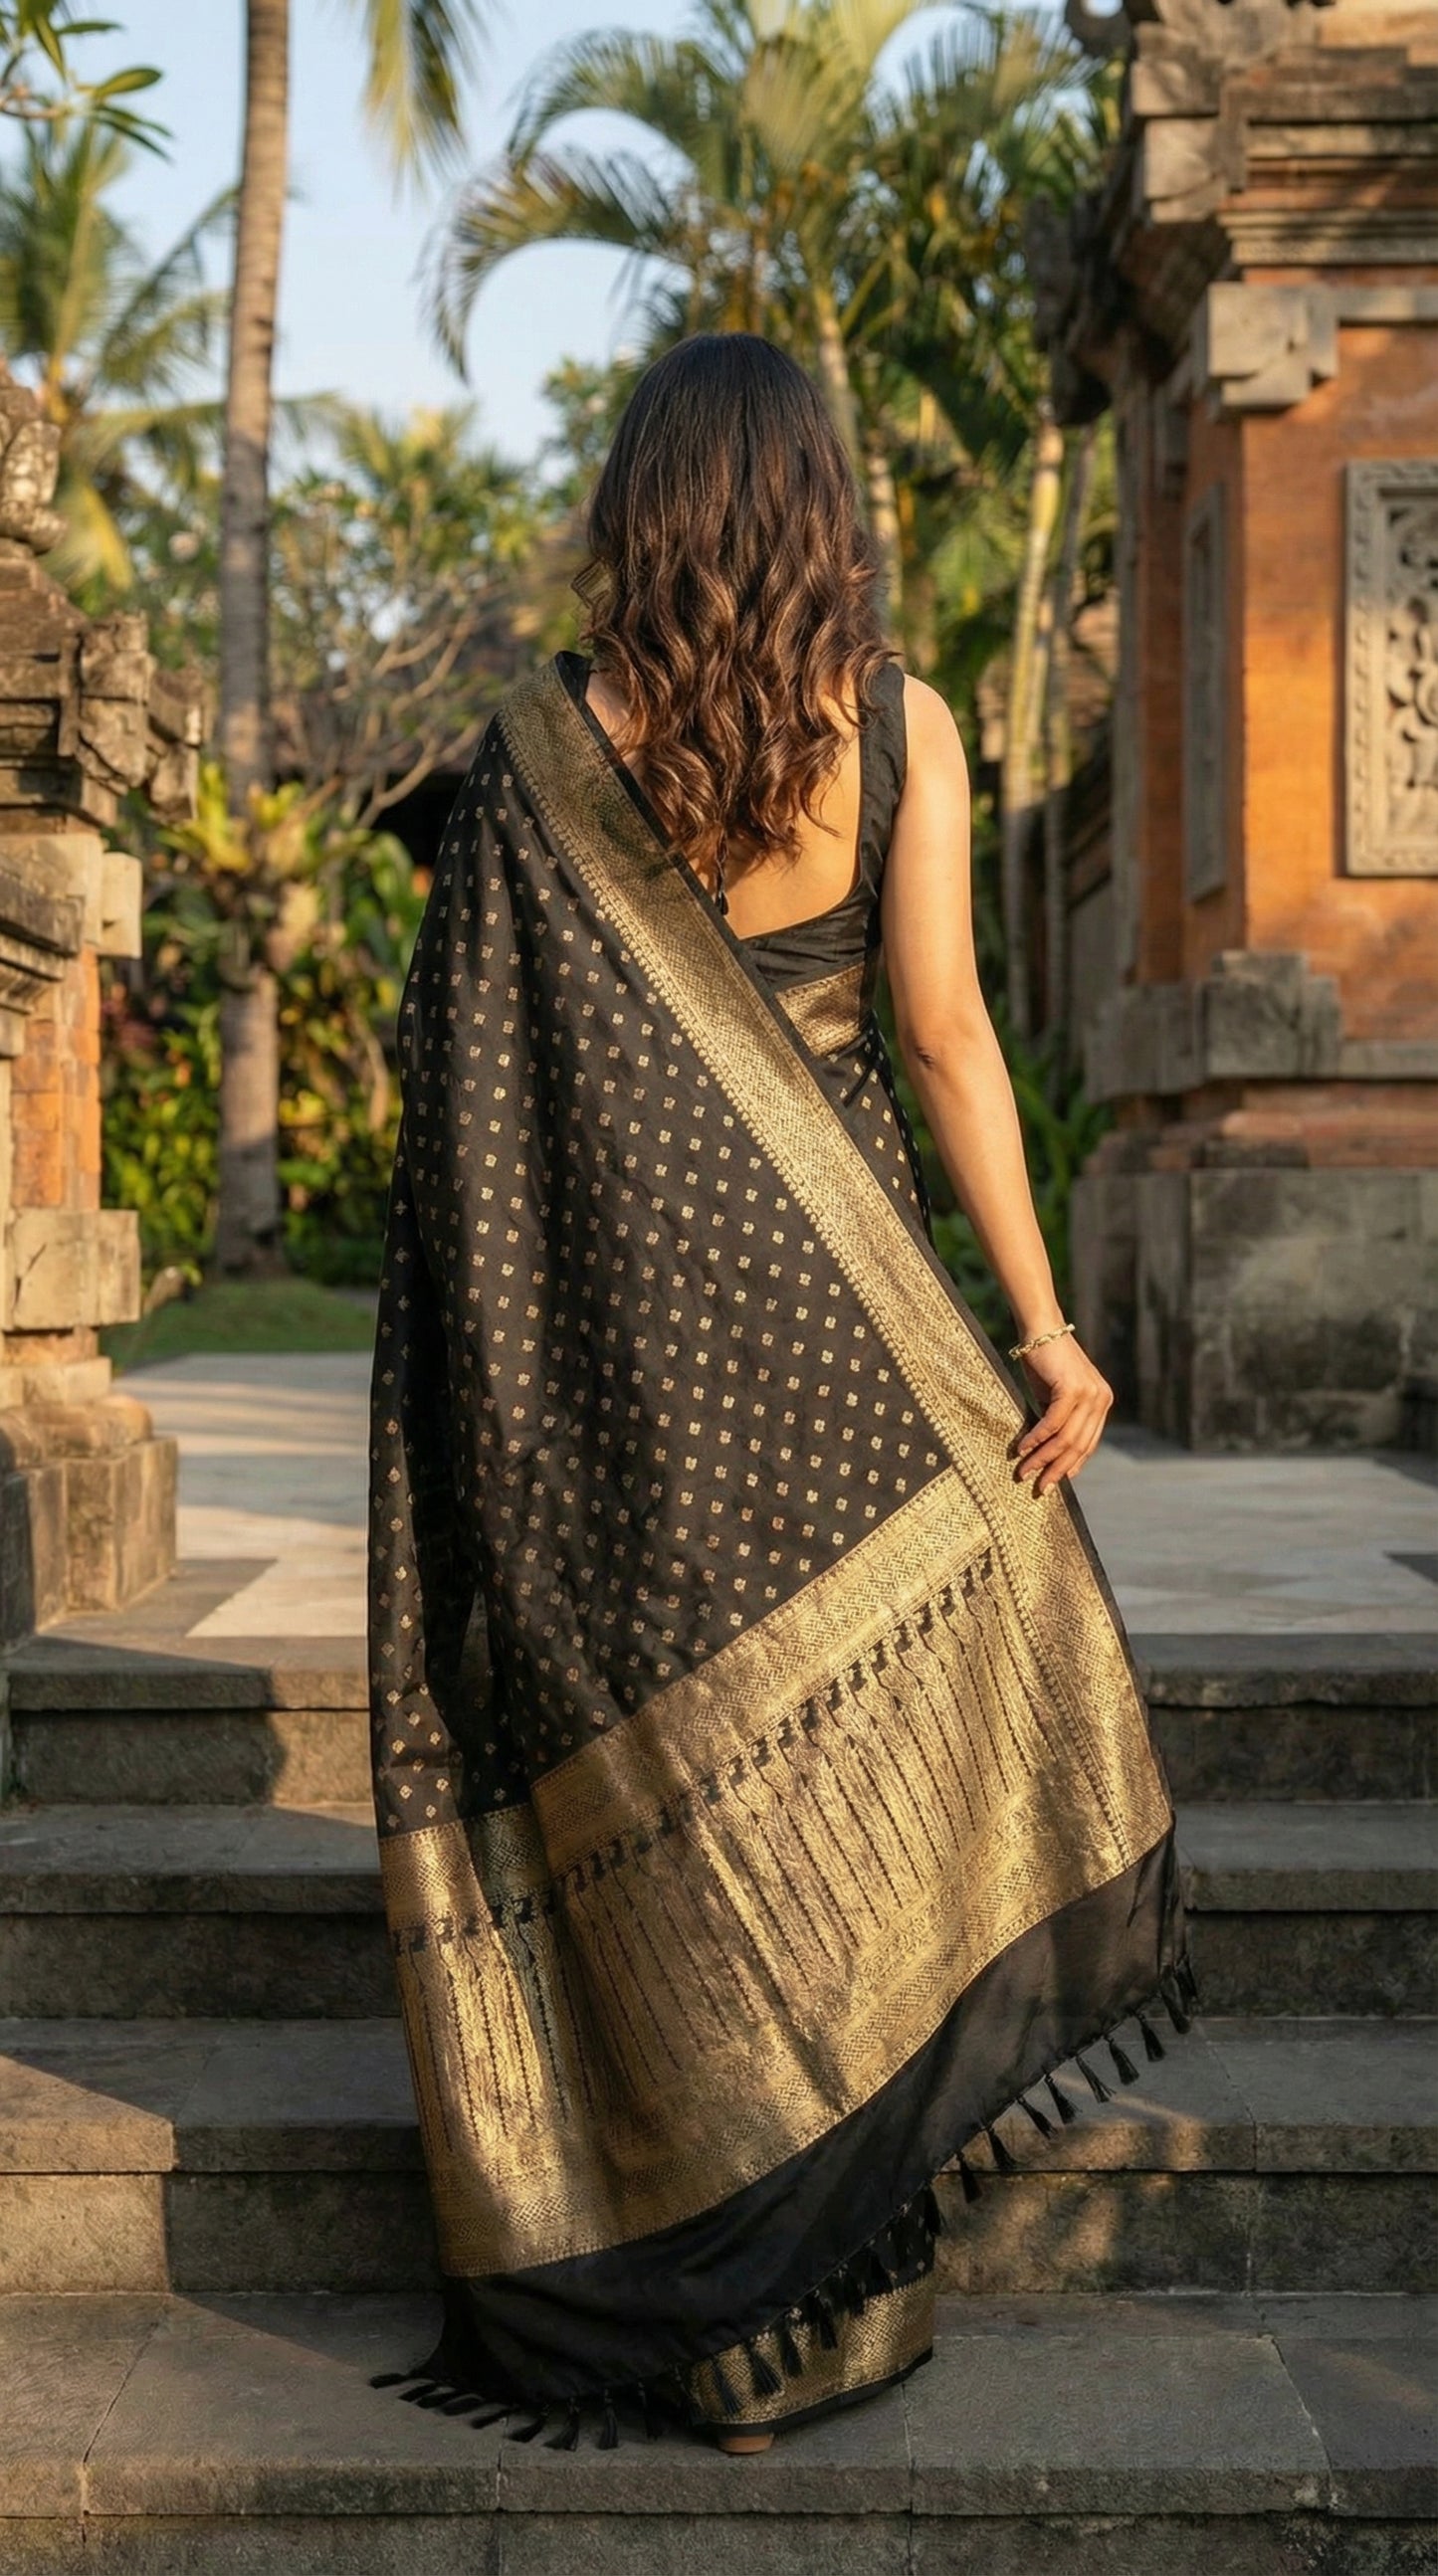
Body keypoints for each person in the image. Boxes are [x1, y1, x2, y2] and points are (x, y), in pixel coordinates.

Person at [366, 332, 1192, 2455]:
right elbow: (942, 1043)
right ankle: (830, 2284)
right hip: (844, 1368)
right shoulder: (891, 725)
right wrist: (1041, 1320)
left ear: (641, 500)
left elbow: (468, 1138)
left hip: (631, 1383)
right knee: (880, 1762)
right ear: (814, 496)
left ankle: (708, 2296)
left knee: (693, 1816)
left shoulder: (548, 745)